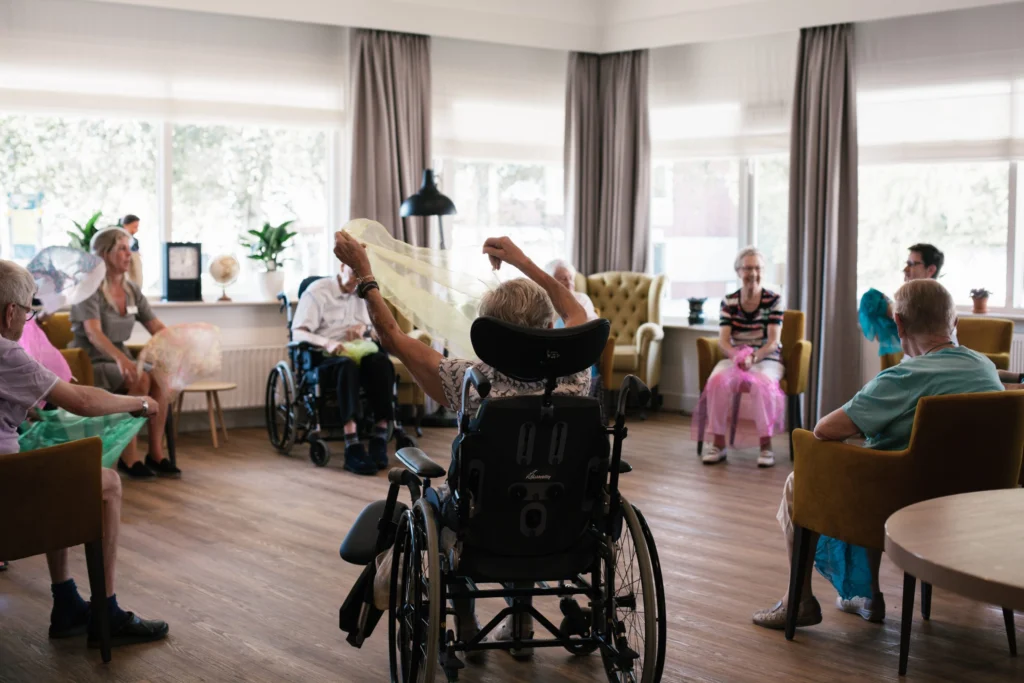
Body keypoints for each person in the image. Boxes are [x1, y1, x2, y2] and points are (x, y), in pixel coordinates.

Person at [333, 230, 590, 660]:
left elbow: (393, 337)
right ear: (549, 329)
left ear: (489, 335)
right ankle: (521, 615)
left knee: (447, 506)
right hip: (566, 517)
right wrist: (522, 261)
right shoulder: (576, 375)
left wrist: (364, 273)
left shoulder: (470, 380)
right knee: (526, 492)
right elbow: (574, 309)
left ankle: (467, 622)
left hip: (482, 524)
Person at [752, 279, 1003, 630]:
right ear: (954, 322)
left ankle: (803, 598)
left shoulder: (902, 378)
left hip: (906, 505)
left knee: (807, 477)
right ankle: (865, 593)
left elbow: (825, 429)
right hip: (981, 505)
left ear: (898, 323)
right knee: (883, 455)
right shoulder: (985, 368)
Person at [0, 259, 169, 647]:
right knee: (106, 483)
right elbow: (81, 401)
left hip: (12, 473)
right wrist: (139, 403)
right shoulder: (6, 353)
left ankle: (66, 603)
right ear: (11, 311)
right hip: (5, 490)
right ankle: (106, 611)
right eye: (28, 312)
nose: (28, 320)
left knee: (57, 459)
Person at [70, 228, 178, 480]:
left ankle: (156, 453)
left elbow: (156, 327)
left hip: (121, 357)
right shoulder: (89, 288)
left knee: (160, 376)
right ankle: (129, 457)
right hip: (89, 359)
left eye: (129, 248)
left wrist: (179, 342)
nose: (129, 254)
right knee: (139, 377)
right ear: (104, 254)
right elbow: (94, 334)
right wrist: (121, 359)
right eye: (122, 248)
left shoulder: (131, 290)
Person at [290, 266, 396, 476]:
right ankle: (352, 445)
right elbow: (298, 333)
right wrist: (326, 342)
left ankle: (380, 436)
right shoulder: (317, 291)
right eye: (353, 272)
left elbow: (375, 330)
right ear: (341, 267)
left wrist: (364, 330)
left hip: (358, 349)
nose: (357, 280)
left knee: (382, 363)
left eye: (361, 275)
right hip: (325, 356)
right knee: (346, 367)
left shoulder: (365, 292)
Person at [700, 247, 784, 468]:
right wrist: (737, 356)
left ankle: (766, 447)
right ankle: (718, 444)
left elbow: (773, 342)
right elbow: (724, 340)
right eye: (748, 268)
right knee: (716, 381)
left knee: (762, 384)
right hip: (735, 357)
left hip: (766, 358)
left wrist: (753, 358)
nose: (753, 273)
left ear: (763, 271)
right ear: (738, 272)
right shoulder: (729, 302)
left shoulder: (774, 300)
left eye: (757, 268)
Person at [120, 214, 144, 289]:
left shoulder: (135, 241)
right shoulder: (120, 241)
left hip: (136, 274)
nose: (136, 230)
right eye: (134, 227)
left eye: (137, 227)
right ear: (125, 225)